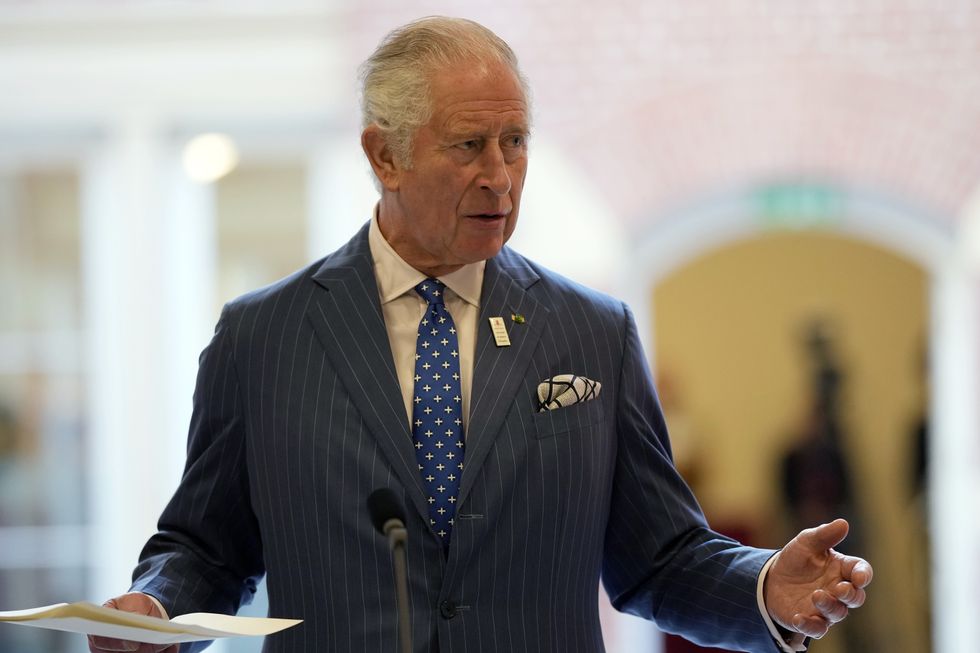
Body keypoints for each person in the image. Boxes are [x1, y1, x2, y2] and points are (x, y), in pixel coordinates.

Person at [89, 16, 871, 653]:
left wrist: (764, 585)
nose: (500, 174)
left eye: (516, 141)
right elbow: (206, 548)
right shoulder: (262, 337)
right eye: (468, 146)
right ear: (383, 154)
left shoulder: (590, 332)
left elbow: (658, 558)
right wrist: (157, 610)